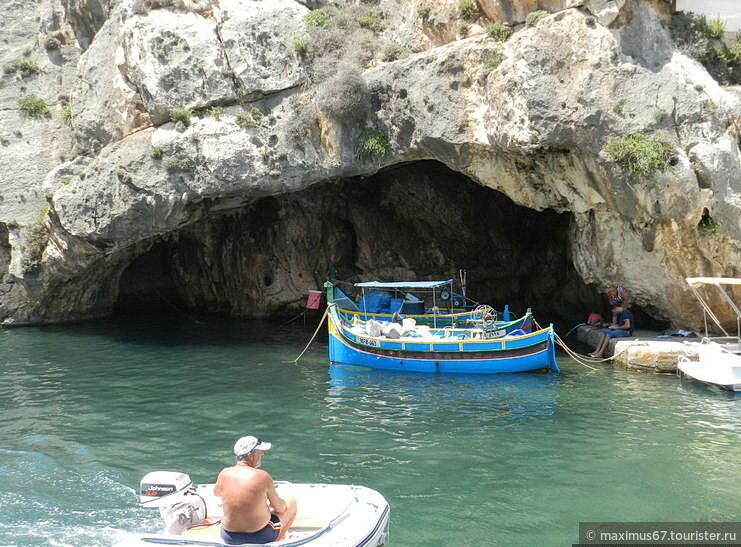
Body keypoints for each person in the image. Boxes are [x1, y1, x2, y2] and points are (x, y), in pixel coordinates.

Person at [214, 436, 297, 545]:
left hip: (229, 536)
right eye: (259, 451)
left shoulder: (224, 473)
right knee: (292, 503)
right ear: (250, 455)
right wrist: (269, 505)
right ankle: (276, 542)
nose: (262, 453)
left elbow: (216, 493)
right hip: (259, 536)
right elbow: (280, 508)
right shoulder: (263, 476)